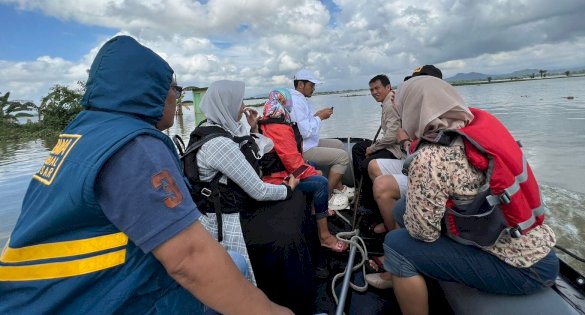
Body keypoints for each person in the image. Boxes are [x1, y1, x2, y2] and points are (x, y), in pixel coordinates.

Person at [0, 36, 291, 314]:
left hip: (42, 296)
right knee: (236, 267)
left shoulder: (82, 133)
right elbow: (189, 257)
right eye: (174, 88)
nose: (176, 97)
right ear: (153, 91)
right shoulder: (135, 146)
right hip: (91, 300)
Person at [382, 76, 558, 315]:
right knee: (400, 208)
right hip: (540, 251)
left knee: (396, 245)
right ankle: (407, 273)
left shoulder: (430, 157)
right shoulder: (476, 131)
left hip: (522, 270)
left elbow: (423, 232)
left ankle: (401, 267)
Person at [190, 80, 300, 286]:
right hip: (225, 216)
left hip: (230, 202)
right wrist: (287, 189)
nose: (243, 108)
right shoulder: (220, 144)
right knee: (290, 224)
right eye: (239, 102)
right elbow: (258, 190)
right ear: (227, 105)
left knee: (292, 207)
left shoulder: (209, 128)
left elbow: (254, 149)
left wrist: (252, 127)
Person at [259, 88, 348, 253]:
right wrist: (314, 172)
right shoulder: (278, 127)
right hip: (279, 179)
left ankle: (316, 208)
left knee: (312, 164)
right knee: (321, 182)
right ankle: (324, 236)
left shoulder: (266, 121)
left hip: (281, 172)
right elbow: (294, 164)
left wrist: (309, 167)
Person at [367, 65, 444, 236]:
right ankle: (390, 220)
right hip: (412, 161)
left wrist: (404, 141)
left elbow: (430, 158)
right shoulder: (416, 110)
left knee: (381, 185)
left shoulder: (440, 113)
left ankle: (397, 236)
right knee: (372, 165)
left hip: (429, 173)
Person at [288, 68, 353, 210]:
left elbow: (303, 124)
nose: (314, 88)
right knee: (342, 157)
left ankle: (338, 187)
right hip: (303, 148)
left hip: (307, 143)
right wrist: (320, 117)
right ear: (300, 85)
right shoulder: (297, 102)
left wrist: (316, 116)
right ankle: (326, 196)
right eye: (311, 85)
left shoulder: (298, 99)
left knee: (337, 144)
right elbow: (305, 132)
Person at [351, 74, 403, 214]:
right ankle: (361, 189)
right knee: (358, 148)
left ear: (388, 87)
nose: (374, 92)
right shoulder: (387, 101)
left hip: (395, 149)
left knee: (365, 163)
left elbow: (392, 137)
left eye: (377, 88)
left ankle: (369, 202)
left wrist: (373, 148)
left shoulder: (390, 105)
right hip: (389, 144)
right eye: (371, 89)